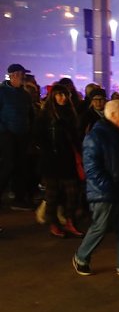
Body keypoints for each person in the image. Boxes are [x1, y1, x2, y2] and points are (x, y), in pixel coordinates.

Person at [72, 100, 119, 277]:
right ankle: (81, 257)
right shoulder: (97, 136)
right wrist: (108, 187)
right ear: (113, 115)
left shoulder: (117, 134)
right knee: (101, 226)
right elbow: (92, 168)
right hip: (105, 192)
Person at [34, 84, 84, 238]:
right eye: (59, 95)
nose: (63, 98)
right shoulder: (45, 116)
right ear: (53, 96)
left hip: (68, 160)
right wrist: (48, 151)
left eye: (65, 95)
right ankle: (54, 223)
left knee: (72, 193)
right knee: (52, 195)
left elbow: (76, 138)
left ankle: (70, 221)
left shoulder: (71, 114)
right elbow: (38, 137)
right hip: (52, 161)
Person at [0, 63, 35, 210]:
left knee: (22, 167)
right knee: (8, 166)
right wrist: (4, 131)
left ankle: (19, 199)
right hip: (7, 135)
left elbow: (30, 114)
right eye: (22, 74)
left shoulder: (25, 94)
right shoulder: (2, 92)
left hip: (23, 135)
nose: (24, 77)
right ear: (13, 75)